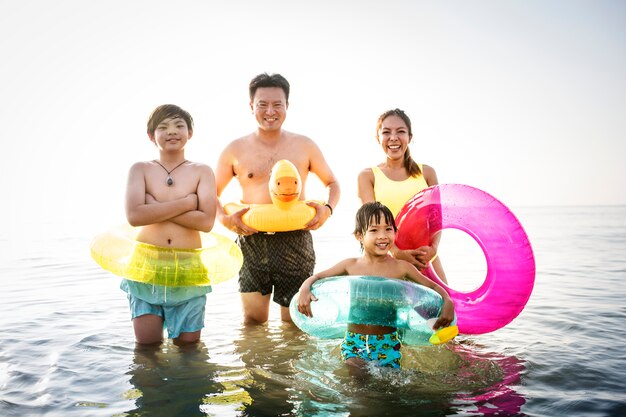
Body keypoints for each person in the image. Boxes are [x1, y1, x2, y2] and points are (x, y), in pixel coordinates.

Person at [215, 72, 340, 325]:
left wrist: (327, 209)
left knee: (294, 322)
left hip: (295, 240)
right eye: (262, 104)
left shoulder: (304, 145)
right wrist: (225, 220)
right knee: (252, 321)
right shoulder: (234, 149)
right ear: (252, 107)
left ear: (287, 107)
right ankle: (255, 366)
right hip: (251, 240)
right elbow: (211, 193)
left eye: (277, 104)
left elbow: (333, 183)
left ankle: (288, 366)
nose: (269, 111)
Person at [296, 202, 454, 376]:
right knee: (358, 377)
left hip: (387, 341)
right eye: (374, 230)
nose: (383, 236)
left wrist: (447, 301)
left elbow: (432, 286)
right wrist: (305, 289)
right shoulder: (350, 266)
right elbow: (317, 277)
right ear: (359, 236)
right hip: (355, 341)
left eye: (388, 229)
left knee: (388, 385)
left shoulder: (402, 267)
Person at [123, 104, 217, 345]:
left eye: (178, 126)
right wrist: (187, 202)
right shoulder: (140, 169)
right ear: (151, 135)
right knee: (147, 349)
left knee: (189, 350)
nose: (172, 131)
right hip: (146, 268)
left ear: (190, 133)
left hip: (188, 269)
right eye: (163, 127)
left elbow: (206, 222)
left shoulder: (202, 171)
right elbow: (134, 216)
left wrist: (154, 207)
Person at [358, 108, 447, 283]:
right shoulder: (368, 176)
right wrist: (397, 253)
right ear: (378, 138)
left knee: (444, 308)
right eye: (386, 132)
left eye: (401, 131)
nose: (393, 137)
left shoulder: (427, 173)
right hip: (384, 260)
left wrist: (433, 249)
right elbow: (370, 225)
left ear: (410, 137)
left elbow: (438, 220)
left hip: (425, 260)